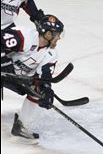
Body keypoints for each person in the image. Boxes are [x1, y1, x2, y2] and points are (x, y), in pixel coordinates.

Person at [1, 14, 64, 144]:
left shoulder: (51, 54)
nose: (58, 38)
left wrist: (46, 90)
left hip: (18, 77)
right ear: (47, 34)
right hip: (5, 68)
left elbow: (45, 75)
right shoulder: (25, 36)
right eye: (56, 34)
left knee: (38, 90)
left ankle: (21, 125)